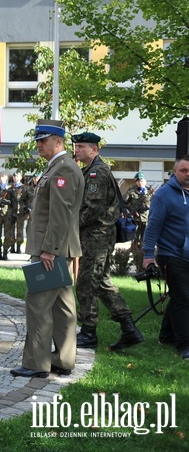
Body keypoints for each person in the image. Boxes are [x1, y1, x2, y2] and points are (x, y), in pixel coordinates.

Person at [10, 119, 84, 379]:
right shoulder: (60, 167)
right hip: (57, 248)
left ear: (58, 141)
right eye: (38, 140)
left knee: (38, 304)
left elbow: (60, 213)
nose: (39, 145)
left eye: (44, 140)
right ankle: (64, 359)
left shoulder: (63, 169)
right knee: (63, 307)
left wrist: (50, 250)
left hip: (51, 249)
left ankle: (36, 363)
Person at [71, 132, 144, 351]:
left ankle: (88, 332)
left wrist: (71, 225)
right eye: (76, 146)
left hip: (97, 235)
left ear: (94, 150)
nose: (77, 150)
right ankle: (129, 330)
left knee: (87, 283)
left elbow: (93, 209)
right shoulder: (91, 170)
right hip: (96, 235)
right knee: (101, 282)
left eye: (81, 146)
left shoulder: (96, 173)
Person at [141, 155, 189, 360]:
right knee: (184, 298)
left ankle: (166, 335)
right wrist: (148, 255)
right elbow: (152, 227)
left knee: (180, 296)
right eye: (183, 171)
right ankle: (185, 344)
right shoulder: (164, 195)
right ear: (175, 171)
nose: (187, 175)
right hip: (172, 254)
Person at [124, 172, 152, 271]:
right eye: (138, 181)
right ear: (135, 182)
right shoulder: (131, 192)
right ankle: (135, 259)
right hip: (135, 219)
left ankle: (143, 260)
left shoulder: (150, 192)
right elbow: (124, 203)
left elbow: (155, 204)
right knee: (135, 238)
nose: (140, 183)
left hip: (146, 219)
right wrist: (130, 211)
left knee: (145, 239)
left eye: (141, 181)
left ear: (145, 181)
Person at [7, 172, 31, 256]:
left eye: (17, 176)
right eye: (14, 176)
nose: (15, 177)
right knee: (11, 230)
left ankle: (18, 247)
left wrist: (27, 210)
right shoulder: (10, 187)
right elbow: (7, 199)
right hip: (11, 211)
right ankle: (12, 246)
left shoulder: (24, 188)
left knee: (20, 230)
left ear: (20, 177)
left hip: (21, 211)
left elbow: (27, 199)